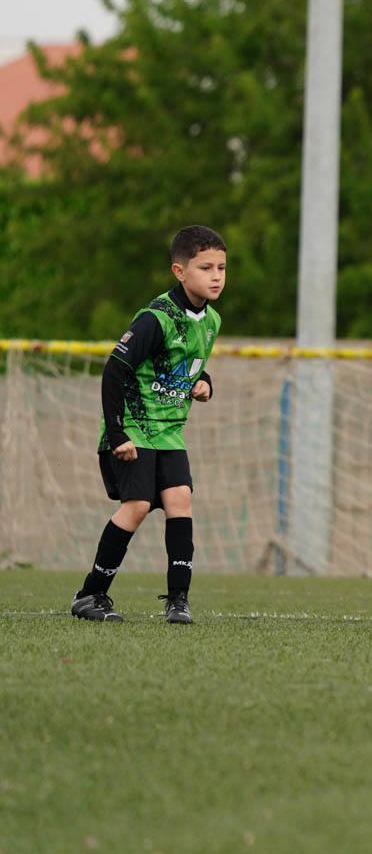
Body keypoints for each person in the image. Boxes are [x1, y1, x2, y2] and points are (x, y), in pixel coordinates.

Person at [71, 226, 227, 624]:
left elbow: (190, 363)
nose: (215, 276)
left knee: (180, 502)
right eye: (205, 267)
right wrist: (118, 432)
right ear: (179, 271)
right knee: (138, 506)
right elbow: (114, 370)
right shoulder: (154, 318)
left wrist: (206, 381)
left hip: (169, 431)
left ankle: (178, 600)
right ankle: (90, 595)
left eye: (222, 268)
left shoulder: (211, 321)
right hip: (135, 428)